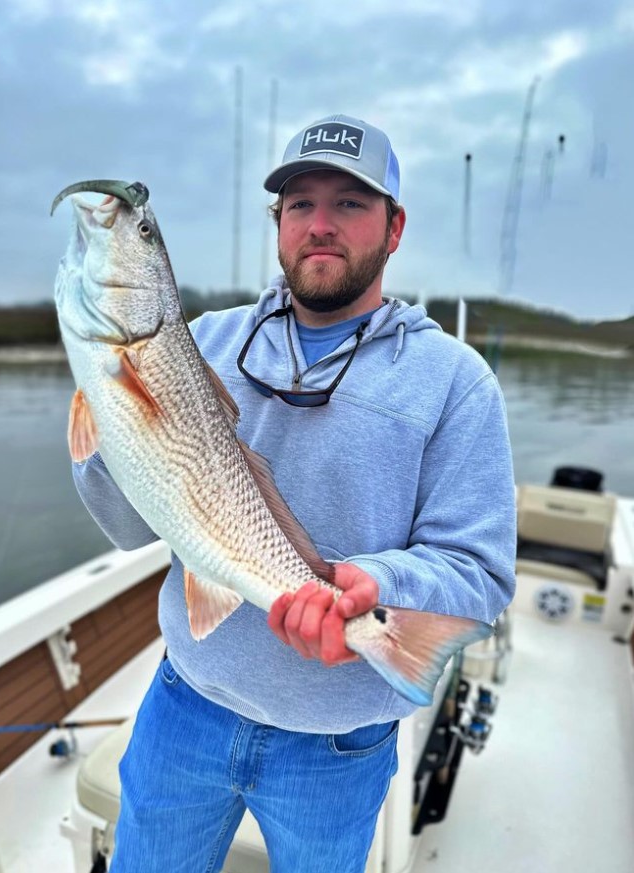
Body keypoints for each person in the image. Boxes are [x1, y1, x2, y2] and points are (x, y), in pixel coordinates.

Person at [72, 113, 517, 873]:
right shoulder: (200, 339)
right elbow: (123, 525)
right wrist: (109, 402)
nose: (320, 225)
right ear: (277, 222)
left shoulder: (454, 381)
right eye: (300, 203)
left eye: (349, 203)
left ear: (394, 225)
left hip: (339, 740)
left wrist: (377, 588)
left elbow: (477, 571)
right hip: (189, 700)